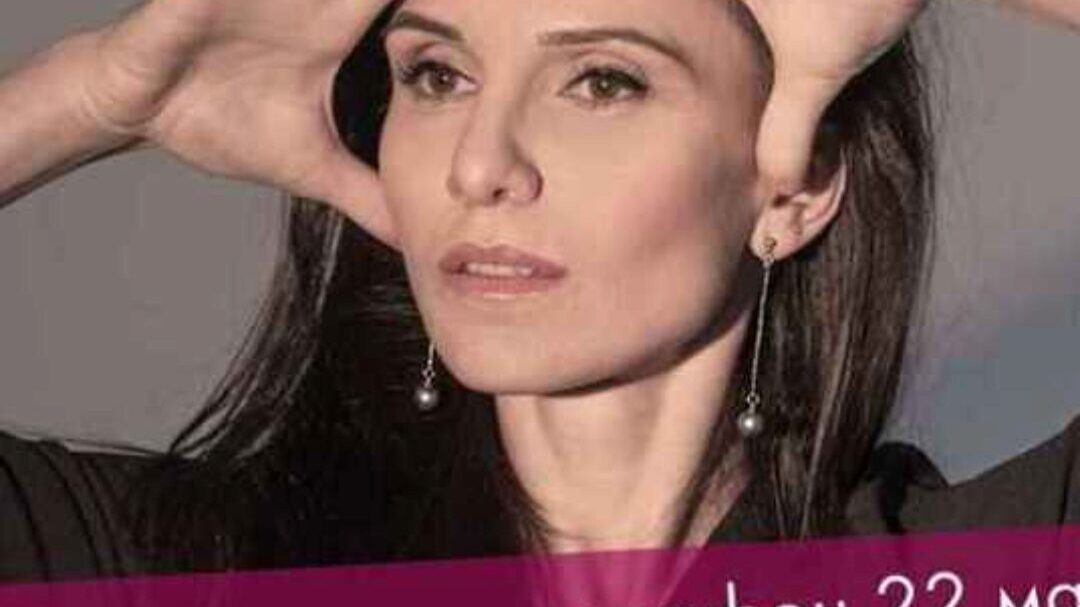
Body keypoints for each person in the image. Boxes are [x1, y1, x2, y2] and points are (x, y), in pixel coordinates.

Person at [1, 0, 1079, 597]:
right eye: (438, 74)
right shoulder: (202, 571)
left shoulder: (975, 577)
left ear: (793, 188)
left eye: (602, 80)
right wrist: (90, 99)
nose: (480, 163)